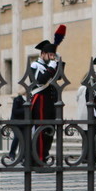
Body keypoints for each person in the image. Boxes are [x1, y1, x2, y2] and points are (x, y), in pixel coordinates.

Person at [30, 27, 66, 162]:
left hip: (51, 101)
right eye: (49, 55)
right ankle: (38, 159)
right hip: (41, 100)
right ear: (42, 54)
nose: (51, 57)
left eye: (53, 55)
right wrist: (51, 66)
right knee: (40, 130)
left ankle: (44, 155)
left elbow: (61, 77)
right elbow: (40, 81)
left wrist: (57, 62)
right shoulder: (35, 65)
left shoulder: (52, 64)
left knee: (50, 130)